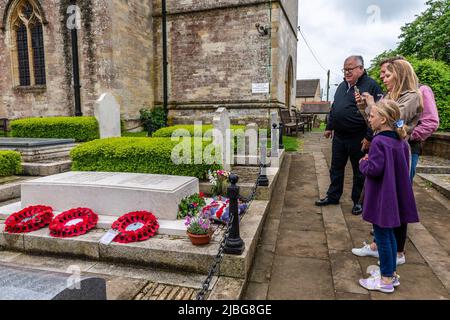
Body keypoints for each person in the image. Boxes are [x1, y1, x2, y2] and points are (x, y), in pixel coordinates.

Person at [352, 58, 425, 265]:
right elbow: (375, 121)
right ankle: (380, 247)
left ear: (400, 75)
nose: (383, 78)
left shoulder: (411, 97)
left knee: (395, 201)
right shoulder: (391, 96)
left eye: (387, 74)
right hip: (386, 150)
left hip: (396, 153)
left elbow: (389, 121)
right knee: (384, 202)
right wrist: (363, 107)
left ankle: (397, 253)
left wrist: (373, 105)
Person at [358, 99, 419, 293]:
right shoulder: (400, 142)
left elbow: (375, 170)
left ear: (383, 119)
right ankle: (390, 274)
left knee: (382, 237)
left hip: (382, 199)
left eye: (372, 115)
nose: (369, 119)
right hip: (395, 197)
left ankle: (385, 280)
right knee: (391, 236)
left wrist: (363, 162)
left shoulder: (379, 141)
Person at [315, 56, 383, 215]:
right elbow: (335, 108)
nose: (346, 72)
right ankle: (333, 196)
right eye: (344, 69)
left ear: (361, 68)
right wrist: (329, 126)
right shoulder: (341, 86)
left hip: (358, 136)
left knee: (359, 170)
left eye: (350, 69)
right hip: (339, 137)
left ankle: (358, 201)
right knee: (335, 168)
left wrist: (369, 137)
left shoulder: (371, 85)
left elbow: (377, 114)